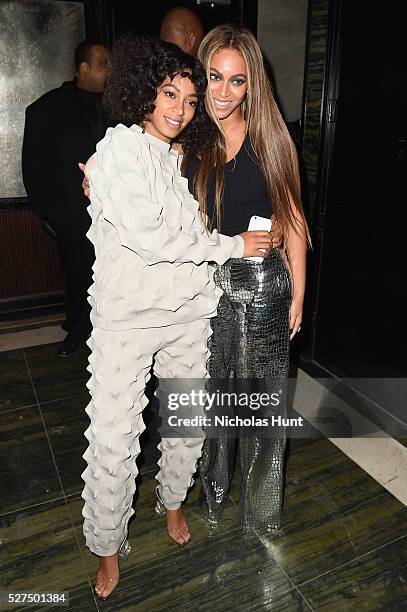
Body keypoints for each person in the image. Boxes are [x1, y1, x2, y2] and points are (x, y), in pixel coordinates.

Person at [81, 33, 272, 600]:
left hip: (189, 312)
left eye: (190, 101)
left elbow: (190, 231)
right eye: (170, 94)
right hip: (128, 318)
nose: (180, 109)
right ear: (145, 91)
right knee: (115, 439)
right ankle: (108, 547)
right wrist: (234, 247)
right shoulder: (117, 150)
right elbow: (152, 237)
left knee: (186, 425)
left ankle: (171, 505)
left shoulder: (179, 156)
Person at [183, 24, 310, 532]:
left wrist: (299, 293)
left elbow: (294, 219)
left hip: (263, 286)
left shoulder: (272, 140)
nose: (223, 91)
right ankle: (211, 498)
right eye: (214, 76)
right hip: (208, 284)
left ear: (253, 84)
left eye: (237, 81)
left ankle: (260, 515)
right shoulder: (187, 139)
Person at [22, 40, 111, 357]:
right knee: (77, 274)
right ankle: (77, 330)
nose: (109, 69)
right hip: (71, 211)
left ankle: (108, 331)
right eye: (103, 62)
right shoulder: (46, 109)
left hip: (116, 211)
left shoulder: (116, 106)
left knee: (113, 275)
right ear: (83, 67)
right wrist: (47, 213)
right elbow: (32, 167)